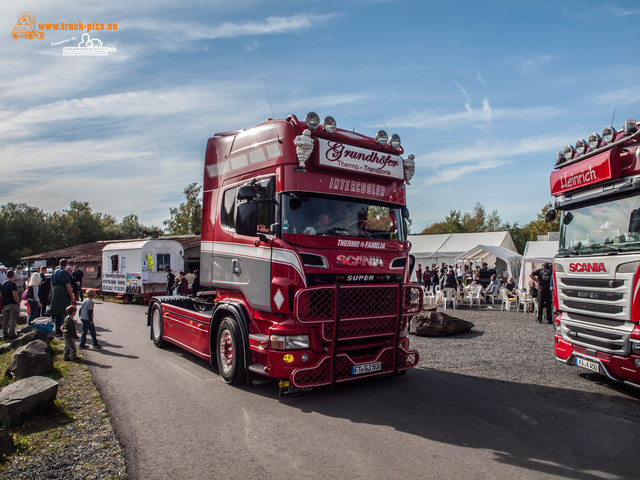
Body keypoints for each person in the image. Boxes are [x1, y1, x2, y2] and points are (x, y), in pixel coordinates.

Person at [46, 259, 74, 336]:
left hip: (55, 291)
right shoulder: (65, 272)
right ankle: (64, 328)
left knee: (57, 312)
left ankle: (57, 329)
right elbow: (68, 285)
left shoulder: (54, 272)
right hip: (63, 291)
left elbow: (52, 285)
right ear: (66, 264)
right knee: (64, 311)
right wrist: (72, 296)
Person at [1, 270, 20, 339]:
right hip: (12, 304)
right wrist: (18, 303)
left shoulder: (3, 284)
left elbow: (1, 295)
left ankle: (5, 333)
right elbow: (15, 295)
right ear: (13, 276)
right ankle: (12, 333)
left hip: (5, 304)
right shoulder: (12, 284)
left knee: (5, 320)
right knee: (13, 319)